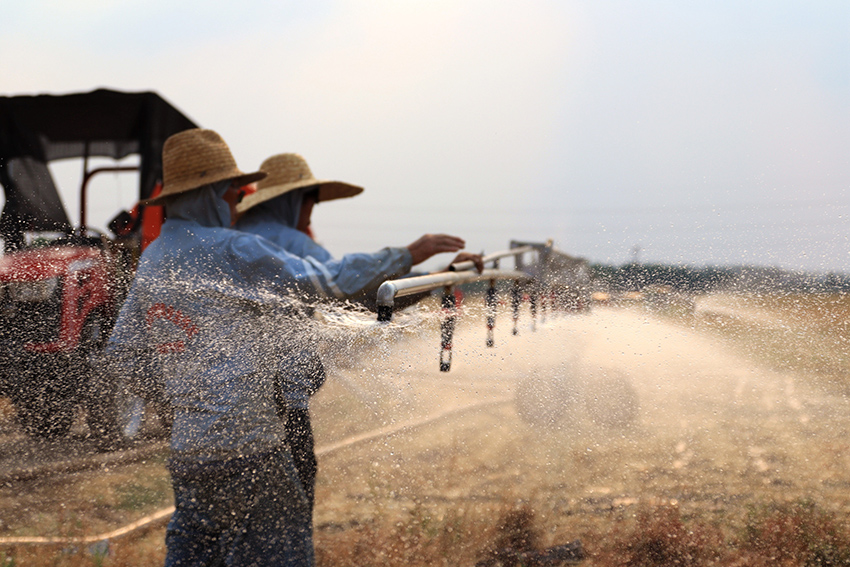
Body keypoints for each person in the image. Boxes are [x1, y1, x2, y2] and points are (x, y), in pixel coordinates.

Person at [105, 129, 385, 566]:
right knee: (280, 552)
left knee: (197, 549)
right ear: (211, 193)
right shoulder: (233, 248)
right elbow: (329, 283)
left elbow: (124, 354)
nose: (235, 206)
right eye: (232, 194)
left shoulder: (155, 257)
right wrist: (405, 254)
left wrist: (185, 402)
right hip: (251, 444)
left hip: (189, 452)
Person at [234, 153, 483, 512]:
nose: (311, 214)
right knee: (286, 522)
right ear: (292, 199)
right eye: (312, 201)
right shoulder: (293, 243)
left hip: (221, 415)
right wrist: (417, 260)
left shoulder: (228, 241)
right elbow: (360, 297)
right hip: (279, 413)